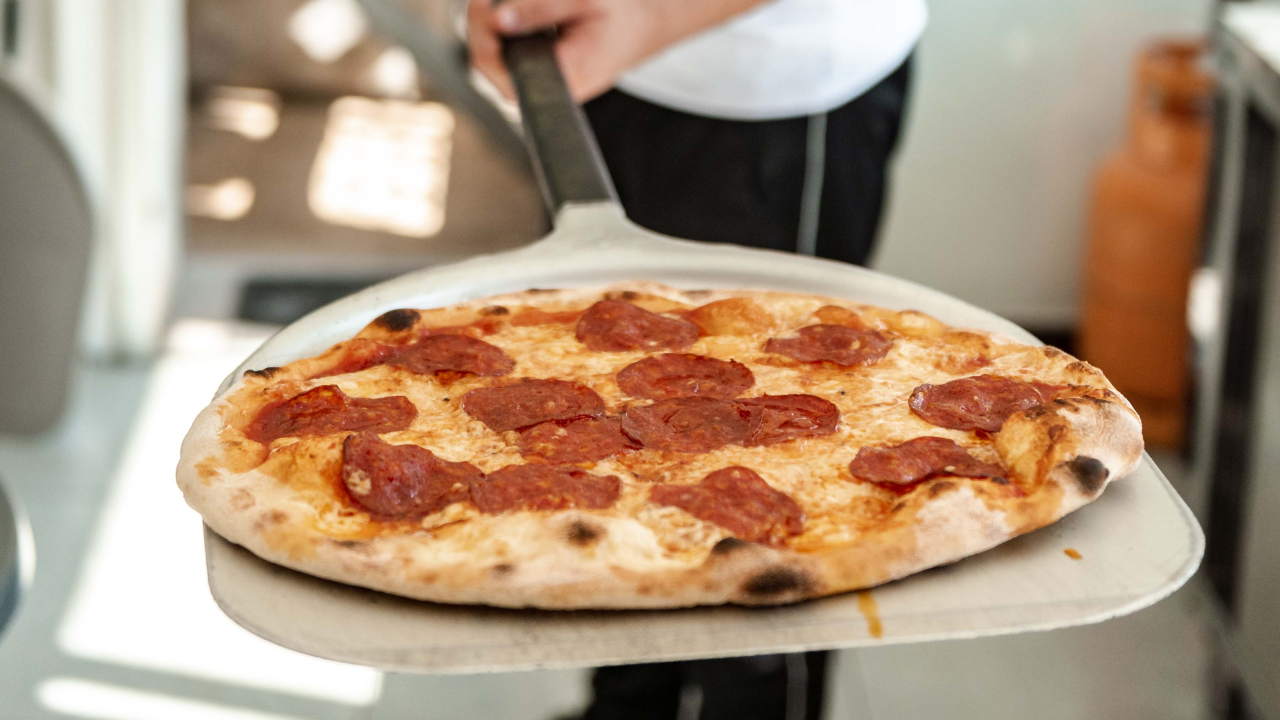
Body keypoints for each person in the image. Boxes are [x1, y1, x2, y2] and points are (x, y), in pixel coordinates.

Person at [467, 1, 925, 717]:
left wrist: (651, 18)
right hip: (599, 62)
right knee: (597, 433)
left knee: (779, 482)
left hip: (765, 92)